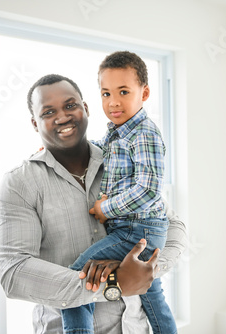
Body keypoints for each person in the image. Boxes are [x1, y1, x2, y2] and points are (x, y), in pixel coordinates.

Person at [0, 73, 187, 334]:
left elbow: (172, 225)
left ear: (85, 108)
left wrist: (144, 272)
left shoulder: (121, 158)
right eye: (49, 112)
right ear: (34, 122)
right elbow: (14, 273)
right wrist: (115, 283)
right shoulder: (20, 183)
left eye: (70, 105)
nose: (62, 117)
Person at [60, 51, 177, 334]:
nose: (113, 101)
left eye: (123, 91)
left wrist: (105, 209)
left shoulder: (144, 133)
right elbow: (100, 148)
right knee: (153, 294)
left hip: (136, 230)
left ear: (144, 93)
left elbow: (148, 190)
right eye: (105, 93)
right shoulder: (119, 131)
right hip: (137, 228)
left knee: (77, 276)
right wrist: (65, 149)